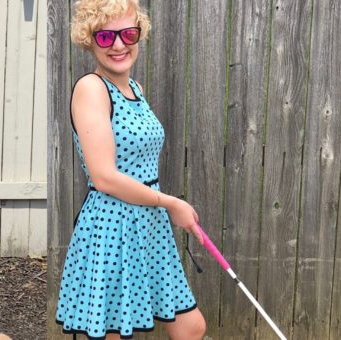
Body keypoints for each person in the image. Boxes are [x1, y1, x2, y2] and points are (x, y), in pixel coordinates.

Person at [55, 0, 207, 339]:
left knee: (191, 328)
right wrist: (172, 203)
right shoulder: (91, 89)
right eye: (106, 37)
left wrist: (163, 208)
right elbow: (104, 177)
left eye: (128, 33)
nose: (120, 44)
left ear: (139, 34)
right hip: (112, 227)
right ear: (89, 39)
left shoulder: (133, 88)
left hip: (149, 226)